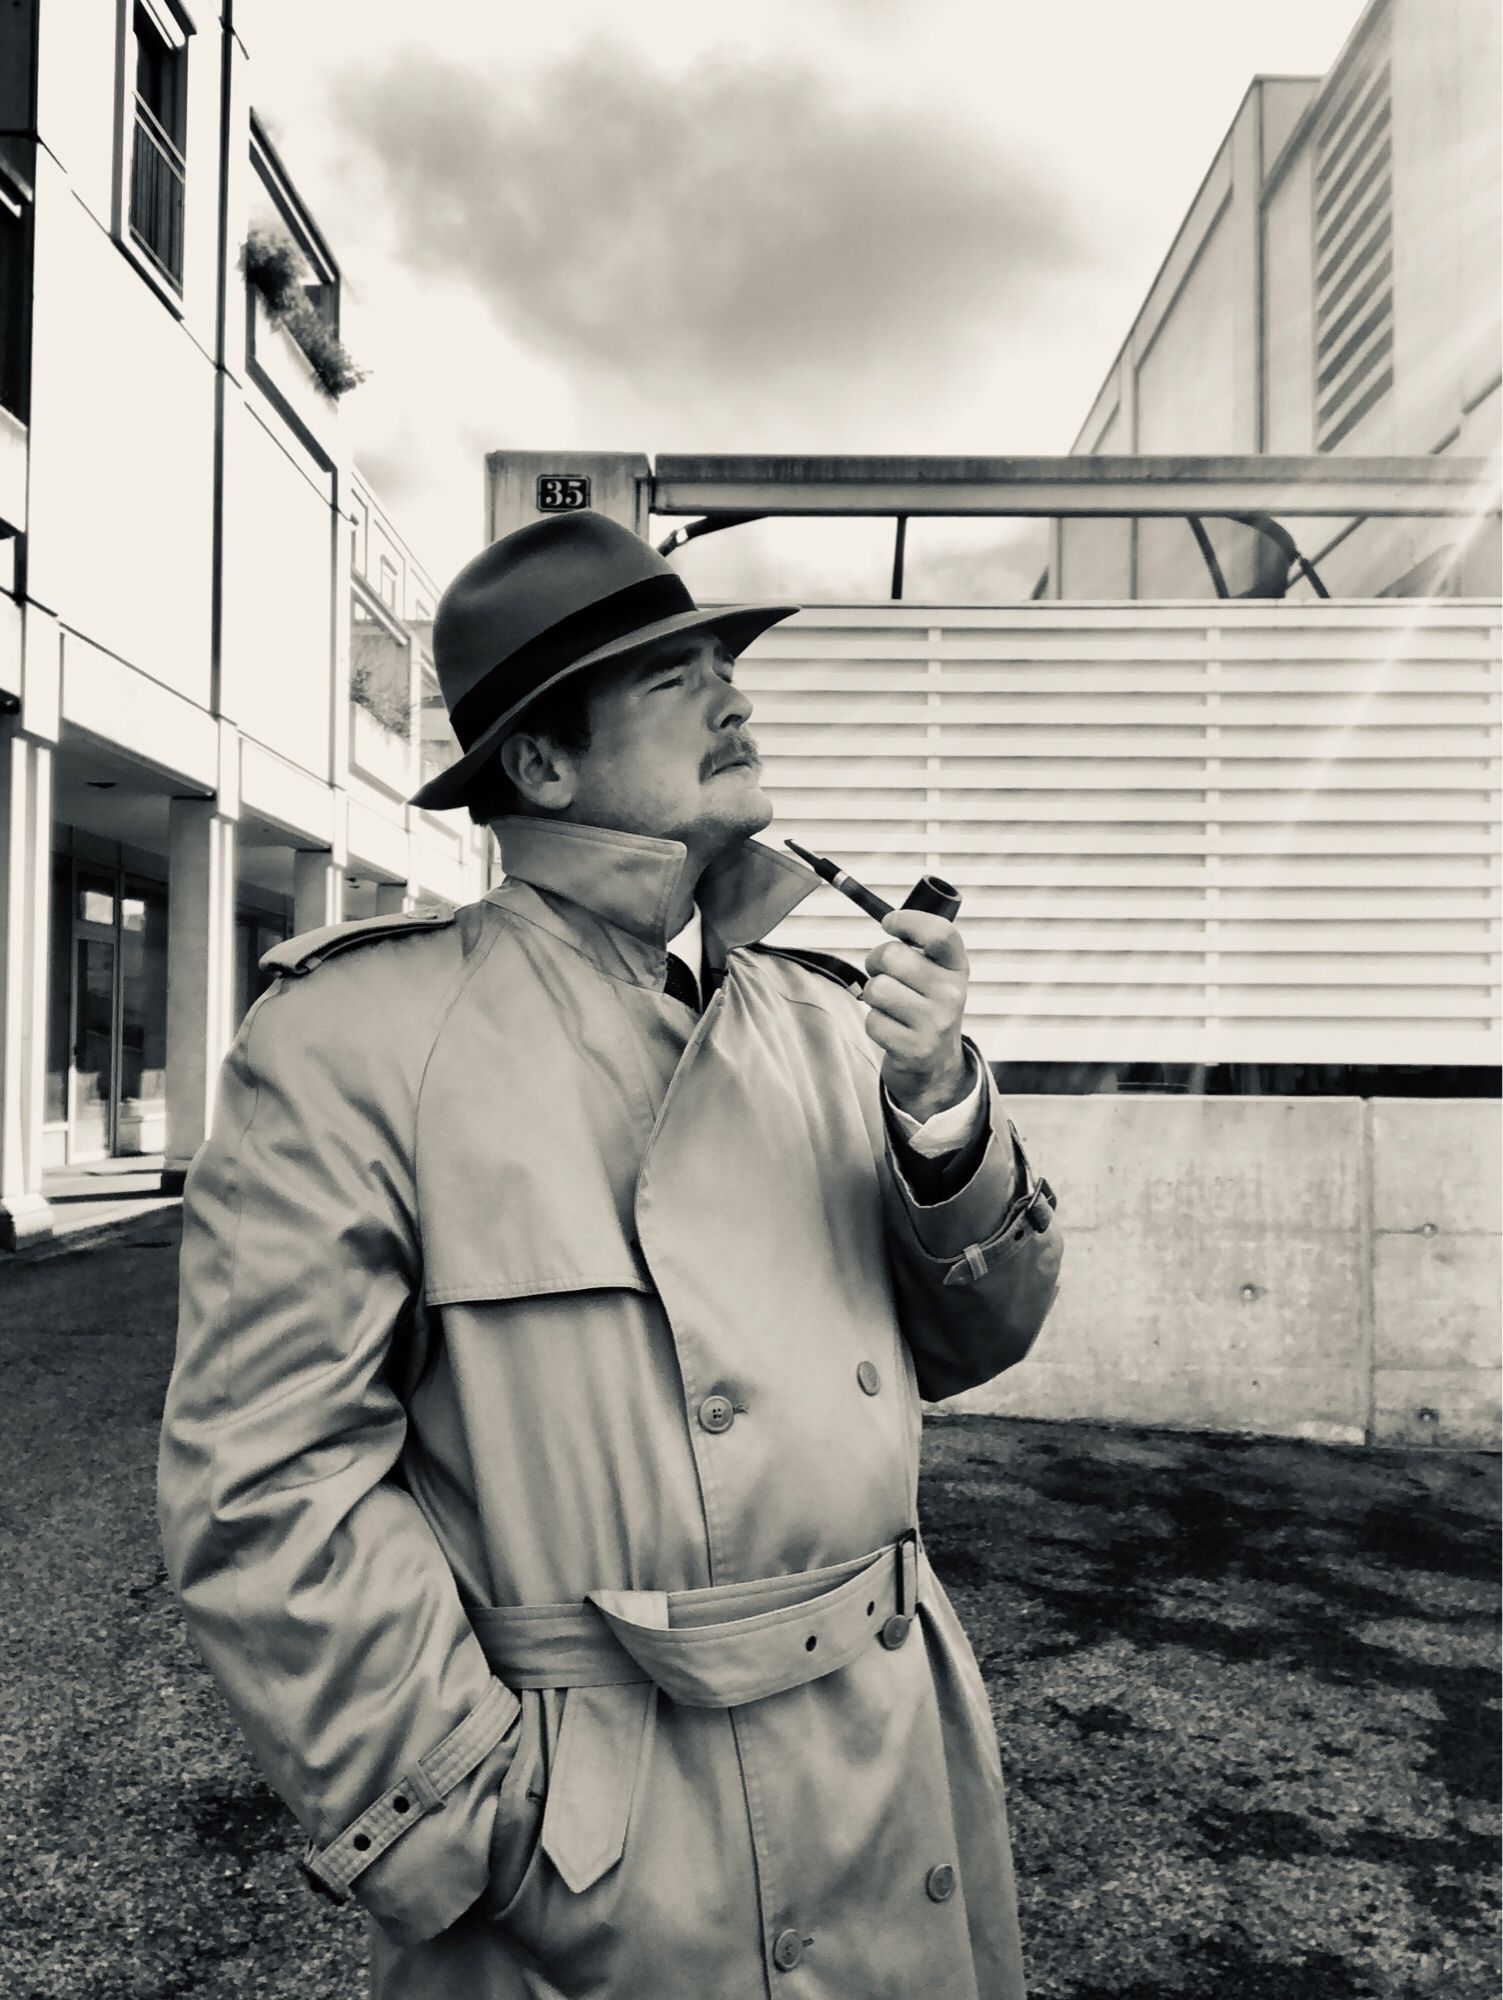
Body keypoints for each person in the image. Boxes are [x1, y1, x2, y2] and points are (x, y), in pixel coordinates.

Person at [157, 508, 1064, 2000]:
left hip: (891, 1779)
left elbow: (976, 1342)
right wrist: (485, 1816)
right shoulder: (353, 1042)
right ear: (540, 762)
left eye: (724, 663)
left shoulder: (825, 1020)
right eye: (672, 678)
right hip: (612, 1850)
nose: (734, 697)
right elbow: (265, 1489)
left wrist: (942, 1109)